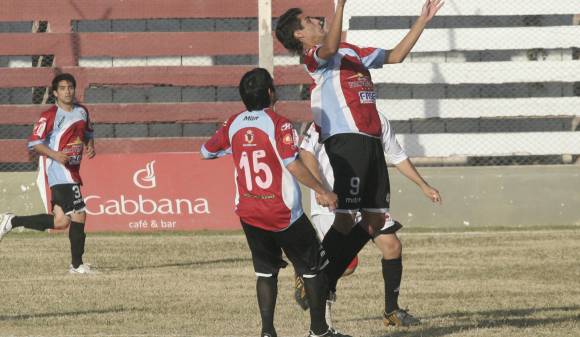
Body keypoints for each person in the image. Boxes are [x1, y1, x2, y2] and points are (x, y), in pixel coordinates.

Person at [275, 0, 443, 327]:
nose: (317, 21)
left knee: (375, 220)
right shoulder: (314, 58)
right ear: (299, 34)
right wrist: (342, 5)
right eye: (309, 20)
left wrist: (423, 20)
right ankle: (316, 276)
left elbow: (396, 56)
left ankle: (321, 279)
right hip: (347, 140)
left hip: (369, 141)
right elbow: (331, 45)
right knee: (345, 220)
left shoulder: (351, 51)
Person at [200, 68, 351, 337]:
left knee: (265, 273)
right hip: (283, 212)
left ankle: (268, 332)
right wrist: (322, 190)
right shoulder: (279, 123)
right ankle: (319, 331)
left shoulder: (233, 123)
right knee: (313, 268)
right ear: (271, 93)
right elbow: (291, 163)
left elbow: (206, 151)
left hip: (249, 211)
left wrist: (235, 147)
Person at [297, 115, 442, 327]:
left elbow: (397, 155)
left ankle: (391, 310)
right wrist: (321, 188)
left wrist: (423, 185)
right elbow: (306, 152)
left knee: (392, 246)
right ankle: (322, 321)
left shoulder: (377, 120)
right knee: (345, 265)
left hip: (366, 197)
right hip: (332, 200)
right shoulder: (326, 118)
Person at [0, 73, 96, 274]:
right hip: (60, 171)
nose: (67, 91)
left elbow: (87, 133)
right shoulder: (49, 115)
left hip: (72, 170)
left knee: (61, 221)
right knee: (79, 214)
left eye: (70, 87)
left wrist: (90, 146)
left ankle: (11, 221)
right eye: (62, 88)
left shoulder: (82, 111)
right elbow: (34, 143)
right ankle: (77, 266)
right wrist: (55, 154)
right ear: (55, 93)